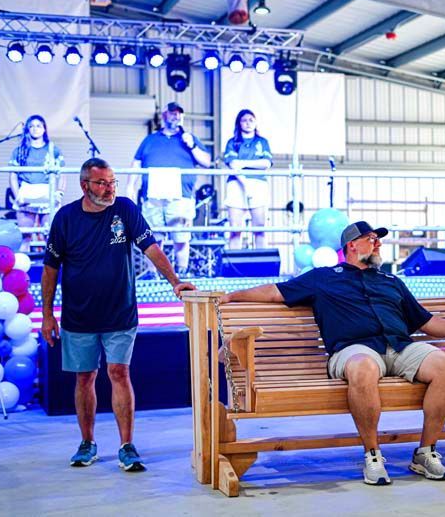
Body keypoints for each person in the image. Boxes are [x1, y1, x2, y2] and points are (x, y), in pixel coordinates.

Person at [220, 221, 445, 485]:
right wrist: (232, 296)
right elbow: (275, 292)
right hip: (353, 350)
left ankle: (425, 452)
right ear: (352, 245)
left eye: (378, 239)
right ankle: (372, 454)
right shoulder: (323, 277)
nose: (378, 243)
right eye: (372, 239)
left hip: (399, 346)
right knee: (364, 367)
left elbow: (428, 322)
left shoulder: (391, 280)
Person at [41, 158, 195, 472]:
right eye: (102, 183)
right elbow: (50, 269)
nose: (110, 188)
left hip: (120, 312)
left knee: (119, 373)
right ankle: (87, 442)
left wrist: (175, 281)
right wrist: (46, 314)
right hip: (77, 317)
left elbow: (151, 248)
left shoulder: (125, 209)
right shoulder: (65, 218)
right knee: (85, 378)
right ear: (85, 185)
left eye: (113, 182)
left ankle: (127, 445)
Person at [126, 102, 212, 275]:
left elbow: (206, 162)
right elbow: (136, 163)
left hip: (181, 195)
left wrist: (192, 145)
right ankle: (153, 274)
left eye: (179, 113)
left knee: (180, 236)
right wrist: (130, 187)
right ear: (164, 115)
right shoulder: (150, 139)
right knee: (153, 238)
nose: (176, 116)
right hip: (153, 196)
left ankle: (181, 272)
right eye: (172, 113)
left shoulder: (189, 138)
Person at [9, 115, 65, 252]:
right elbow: (12, 176)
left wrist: (59, 194)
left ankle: (52, 272)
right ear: (27, 129)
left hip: (47, 191)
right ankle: (23, 272)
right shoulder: (20, 151)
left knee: (50, 237)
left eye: (38, 126)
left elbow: (62, 174)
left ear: (44, 129)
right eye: (31, 126)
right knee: (25, 235)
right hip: (26, 192)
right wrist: (17, 196)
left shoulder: (53, 150)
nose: (35, 129)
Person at [223, 109, 273, 249]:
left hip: (258, 184)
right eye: (244, 120)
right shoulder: (232, 142)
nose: (248, 123)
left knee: (259, 228)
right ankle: (234, 266)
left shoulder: (262, 142)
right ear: (239, 123)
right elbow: (233, 164)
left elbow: (266, 163)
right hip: (236, 184)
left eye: (251, 120)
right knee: (235, 229)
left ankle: (262, 266)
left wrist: (243, 163)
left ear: (256, 122)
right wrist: (245, 183)